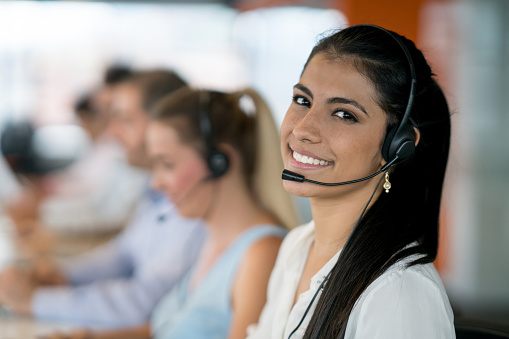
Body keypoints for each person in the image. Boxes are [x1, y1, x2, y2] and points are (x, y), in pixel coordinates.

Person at [247, 24, 455, 338]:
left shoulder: (398, 292)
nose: (303, 129)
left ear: (396, 147)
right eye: (303, 100)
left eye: (344, 114)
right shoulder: (296, 247)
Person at [46, 87, 299, 339]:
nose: (156, 183)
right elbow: (165, 329)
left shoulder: (262, 253)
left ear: (219, 163)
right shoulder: (213, 238)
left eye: (167, 164)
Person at [0, 69, 206, 328]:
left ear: (162, 124)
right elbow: (124, 252)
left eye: (126, 120)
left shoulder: (193, 202)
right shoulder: (159, 190)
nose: (113, 133)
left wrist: (37, 301)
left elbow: (147, 301)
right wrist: (64, 276)